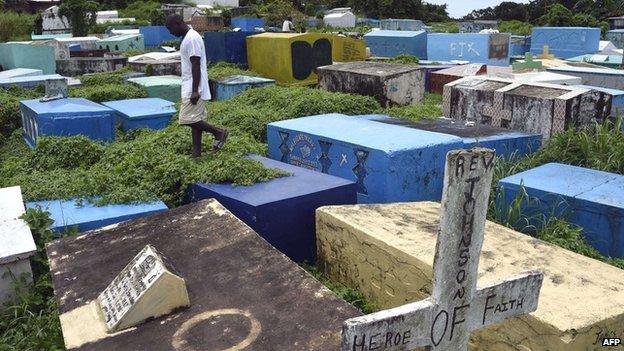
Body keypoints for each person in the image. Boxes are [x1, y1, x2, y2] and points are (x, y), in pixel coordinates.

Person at [165, 14, 228, 158]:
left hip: (194, 87)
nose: (170, 32)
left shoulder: (191, 38)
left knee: (186, 118)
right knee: (194, 120)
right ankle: (196, 154)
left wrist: (194, 90)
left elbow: (196, 64)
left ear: (177, 23)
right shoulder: (188, 37)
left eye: (170, 28)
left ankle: (219, 133)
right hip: (191, 85)